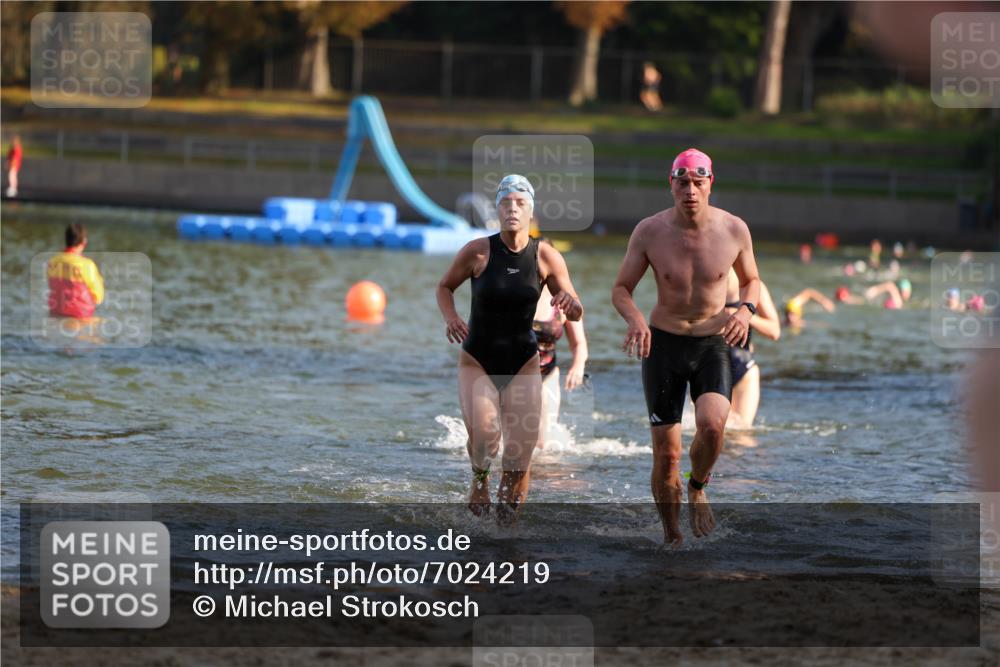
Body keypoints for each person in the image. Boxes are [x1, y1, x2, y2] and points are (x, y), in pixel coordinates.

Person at [611, 148, 761, 545]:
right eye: (682, 182)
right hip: (663, 345)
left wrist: (745, 311)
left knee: (713, 427)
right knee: (667, 455)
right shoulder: (649, 231)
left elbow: (751, 280)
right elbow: (621, 288)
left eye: (698, 182)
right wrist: (636, 319)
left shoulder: (734, 229)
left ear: (711, 183)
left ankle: (697, 486)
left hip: (713, 343)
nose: (690, 190)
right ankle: (672, 535)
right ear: (671, 185)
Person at [437, 175, 583, 524]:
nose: (512, 209)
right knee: (486, 435)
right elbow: (444, 286)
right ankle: (480, 479)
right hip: (478, 360)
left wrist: (570, 302)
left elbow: (576, 309)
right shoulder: (477, 251)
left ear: (530, 211)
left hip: (523, 363)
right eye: (506, 203)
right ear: (498, 210)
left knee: (520, 457)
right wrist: (451, 316)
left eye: (520, 203)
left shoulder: (546, 256)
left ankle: (506, 529)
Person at [533, 238, 589, 449]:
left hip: (546, 373)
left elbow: (579, 344)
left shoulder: (565, 301)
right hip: (511, 372)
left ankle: (541, 480)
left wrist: (578, 365)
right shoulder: (517, 294)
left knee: (541, 443)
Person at [724, 270, 780, 429]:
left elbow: (774, 331)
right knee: (710, 432)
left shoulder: (755, 288)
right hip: (710, 366)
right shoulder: (705, 285)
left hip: (744, 368)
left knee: (740, 433)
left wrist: (743, 315)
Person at [47, 223, 104, 319]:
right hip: (81, 316)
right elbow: (98, 296)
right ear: (84, 242)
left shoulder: (53, 262)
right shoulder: (87, 265)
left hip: (56, 312)